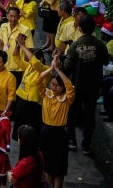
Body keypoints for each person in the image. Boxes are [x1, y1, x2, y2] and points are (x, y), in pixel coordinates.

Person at [63, 16, 109, 156]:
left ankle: (71, 140)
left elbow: (67, 66)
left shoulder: (75, 45)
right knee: (90, 116)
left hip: (77, 85)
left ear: (80, 28)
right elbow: (105, 62)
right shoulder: (100, 44)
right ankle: (86, 145)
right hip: (93, 86)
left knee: (72, 113)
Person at [37, 55, 74, 188]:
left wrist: (59, 71)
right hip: (46, 132)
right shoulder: (46, 94)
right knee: (47, 166)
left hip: (59, 134)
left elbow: (70, 87)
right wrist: (51, 68)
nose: (54, 87)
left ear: (63, 87)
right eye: (52, 84)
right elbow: (38, 80)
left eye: (58, 85)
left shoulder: (67, 98)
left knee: (59, 169)